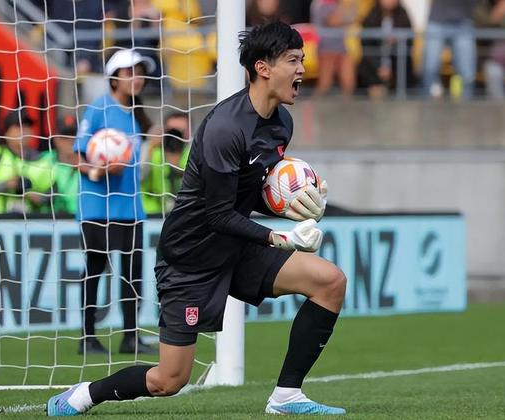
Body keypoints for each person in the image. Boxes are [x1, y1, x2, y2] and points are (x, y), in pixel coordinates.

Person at [46, 22, 347, 416]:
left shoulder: (281, 123)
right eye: (293, 60)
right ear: (263, 68)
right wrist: (281, 237)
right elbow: (218, 213)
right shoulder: (225, 128)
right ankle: (85, 394)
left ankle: (287, 396)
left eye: (302, 59)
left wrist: (297, 205)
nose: (303, 69)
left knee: (330, 282)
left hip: (236, 246)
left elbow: (252, 191)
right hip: (190, 258)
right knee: (168, 380)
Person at [73, 49, 156, 356]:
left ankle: (130, 337)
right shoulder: (98, 108)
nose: (137, 78)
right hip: (99, 206)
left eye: (140, 72)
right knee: (95, 268)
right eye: (129, 72)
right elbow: (76, 157)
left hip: (131, 207)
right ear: (114, 78)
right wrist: (100, 170)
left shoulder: (136, 114)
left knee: (133, 272)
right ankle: (88, 337)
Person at [0, 109, 52, 214]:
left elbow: (53, 193)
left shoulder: (42, 159)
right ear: (6, 132)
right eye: (18, 126)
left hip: (29, 220)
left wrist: (37, 197)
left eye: (27, 126)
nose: (23, 131)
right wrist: (7, 184)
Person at [421, 0, 478, 99]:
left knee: (467, 72)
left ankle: (466, 104)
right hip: (437, 20)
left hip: (463, 21)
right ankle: (427, 103)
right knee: (430, 68)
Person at [357, 0, 414, 99]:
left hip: (396, 65)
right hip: (374, 66)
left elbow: (409, 43)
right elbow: (366, 46)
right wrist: (379, 66)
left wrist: (397, 41)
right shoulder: (371, 17)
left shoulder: (403, 16)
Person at [140, 111, 192, 215]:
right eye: (172, 131)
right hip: (151, 213)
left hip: (183, 213)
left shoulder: (193, 153)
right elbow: (138, 177)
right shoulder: (151, 150)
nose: (175, 136)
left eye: (181, 131)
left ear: (189, 133)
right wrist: (150, 148)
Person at [311, 0, 358, 96]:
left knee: (349, 82)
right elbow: (333, 21)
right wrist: (347, 7)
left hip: (341, 48)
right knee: (325, 83)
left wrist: (351, 5)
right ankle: (314, 104)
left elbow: (353, 18)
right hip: (326, 49)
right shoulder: (320, 4)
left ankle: (347, 105)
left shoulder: (338, 3)